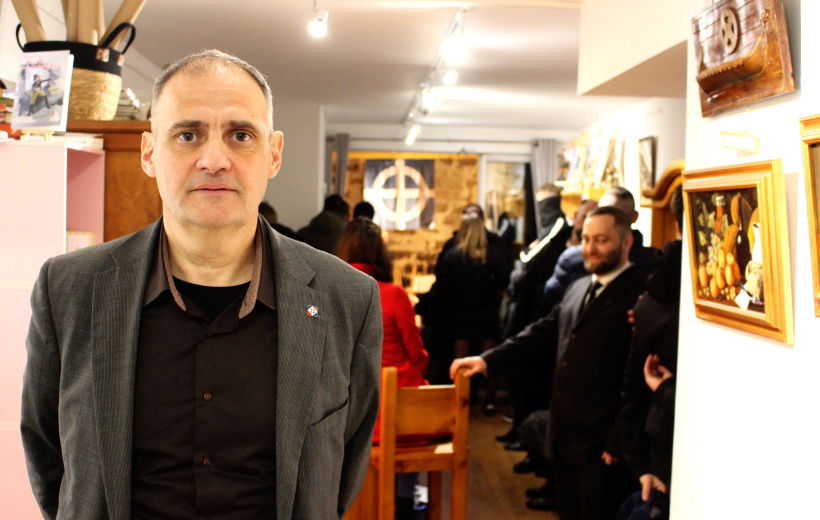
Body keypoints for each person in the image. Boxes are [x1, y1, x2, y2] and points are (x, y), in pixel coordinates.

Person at [21, 50, 383, 520]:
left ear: (272, 154)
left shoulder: (346, 299)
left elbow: (340, 473)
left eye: (240, 135)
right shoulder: (69, 289)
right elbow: (50, 458)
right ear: (149, 153)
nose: (215, 159)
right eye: (188, 135)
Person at [450, 205, 646, 520]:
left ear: (626, 244)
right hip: (566, 434)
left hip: (603, 445)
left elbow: (637, 377)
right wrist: (487, 361)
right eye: (585, 239)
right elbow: (540, 332)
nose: (590, 248)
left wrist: (618, 438)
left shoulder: (640, 296)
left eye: (601, 240)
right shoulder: (580, 286)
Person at [336, 217, 429, 520]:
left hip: (354, 416)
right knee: (412, 419)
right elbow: (417, 355)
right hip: (402, 416)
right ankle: (404, 501)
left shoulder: (332, 294)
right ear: (381, 253)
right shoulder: (395, 295)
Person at [619, 185, 684, 507]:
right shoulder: (653, 294)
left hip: (663, 449)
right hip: (666, 453)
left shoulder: (650, 296)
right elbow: (634, 382)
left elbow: (634, 384)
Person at [436, 215, 510, 414]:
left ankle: (461, 401)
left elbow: (444, 287)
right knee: (489, 358)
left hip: (461, 313)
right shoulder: (495, 255)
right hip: (488, 312)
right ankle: (490, 401)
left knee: (461, 359)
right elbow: (504, 282)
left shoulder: (453, 256)